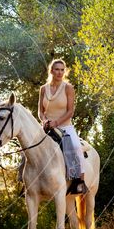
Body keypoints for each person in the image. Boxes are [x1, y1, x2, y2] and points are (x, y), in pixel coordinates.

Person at [38, 59, 87, 195]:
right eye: (57, 69)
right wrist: (44, 121)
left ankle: (79, 182)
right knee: (30, 145)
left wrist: (56, 123)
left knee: (76, 147)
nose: (59, 72)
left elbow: (70, 112)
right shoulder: (43, 89)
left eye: (62, 69)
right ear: (51, 71)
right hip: (47, 127)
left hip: (65, 127)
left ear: (64, 72)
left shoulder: (68, 88)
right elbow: (40, 111)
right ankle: (26, 182)